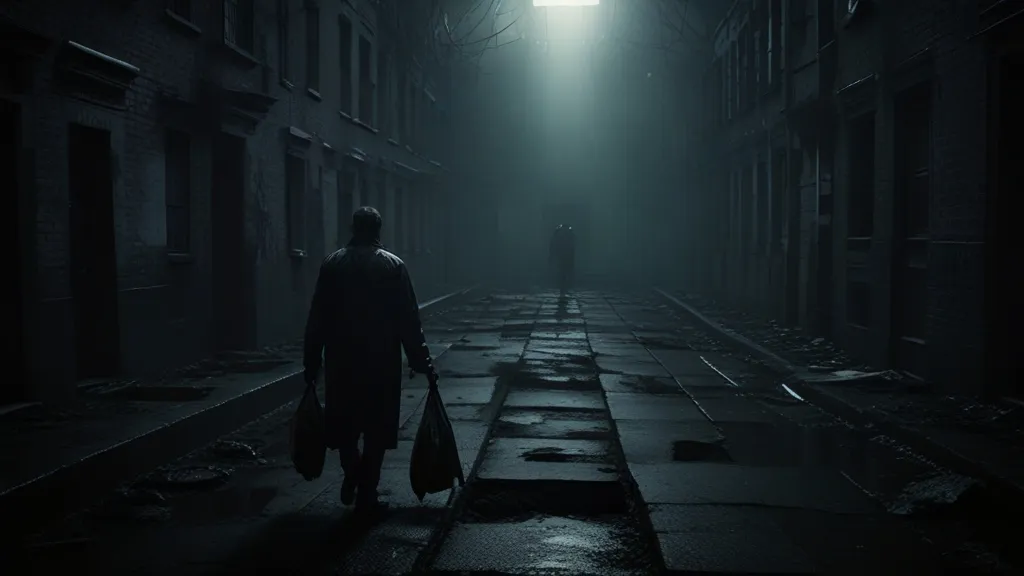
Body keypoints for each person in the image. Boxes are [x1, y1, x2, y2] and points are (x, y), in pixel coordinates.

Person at [303, 206, 438, 517]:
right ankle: (368, 491)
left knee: (345, 423)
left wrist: (311, 361)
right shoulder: (393, 266)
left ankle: (352, 472)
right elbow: (408, 320)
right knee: (377, 427)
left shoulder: (332, 264)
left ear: (353, 228)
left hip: (342, 360)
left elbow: (317, 318)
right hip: (381, 361)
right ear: (378, 230)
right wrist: (422, 362)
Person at [549, 224, 576, 295]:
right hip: (564, 256)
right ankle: (564, 287)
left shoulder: (563, 237)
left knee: (564, 272)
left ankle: (564, 287)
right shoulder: (566, 237)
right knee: (563, 272)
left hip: (565, 256)